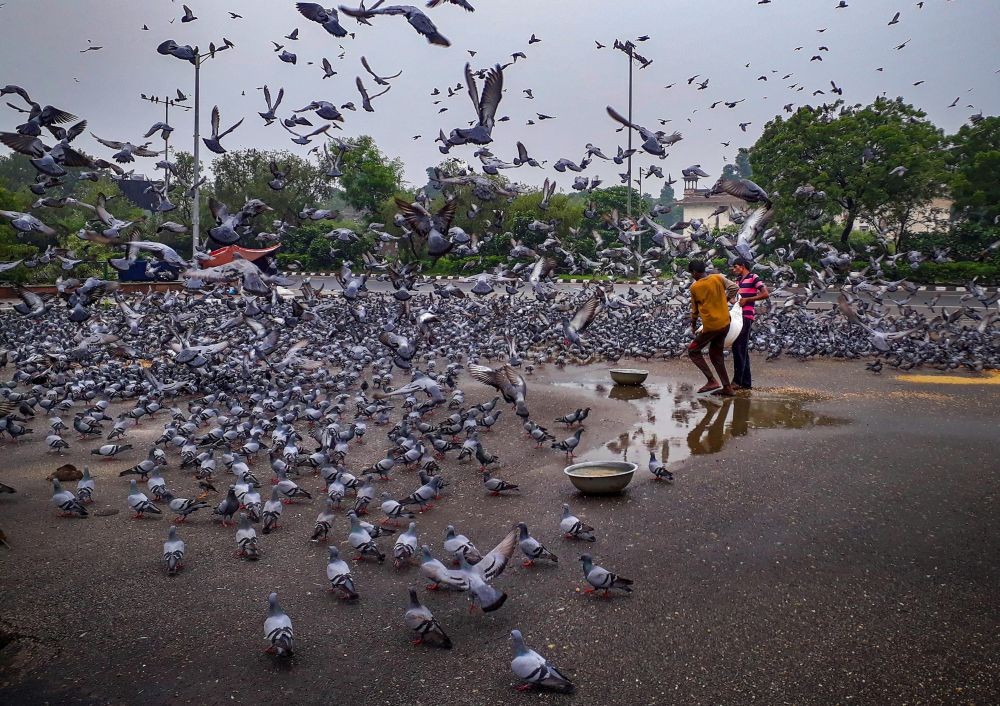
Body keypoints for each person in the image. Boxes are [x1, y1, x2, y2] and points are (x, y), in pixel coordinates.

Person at [687, 259, 739, 396]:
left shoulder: (695, 287)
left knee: (692, 350)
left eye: (691, 273)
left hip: (712, 326)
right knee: (715, 354)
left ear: (694, 272)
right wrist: (725, 300)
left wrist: (693, 326)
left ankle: (711, 381)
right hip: (725, 322)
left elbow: (694, 311)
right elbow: (734, 287)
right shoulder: (718, 278)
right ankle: (727, 387)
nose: (692, 276)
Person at [729, 258, 769, 390]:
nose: (733, 269)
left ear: (742, 266)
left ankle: (737, 381)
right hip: (737, 316)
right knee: (742, 349)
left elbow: (765, 294)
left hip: (746, 316)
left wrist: (748, 300)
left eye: (735, 267)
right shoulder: (738, 281)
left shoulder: (753, 277)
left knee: (738, 348)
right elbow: (736, 299)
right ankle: (746, 383)